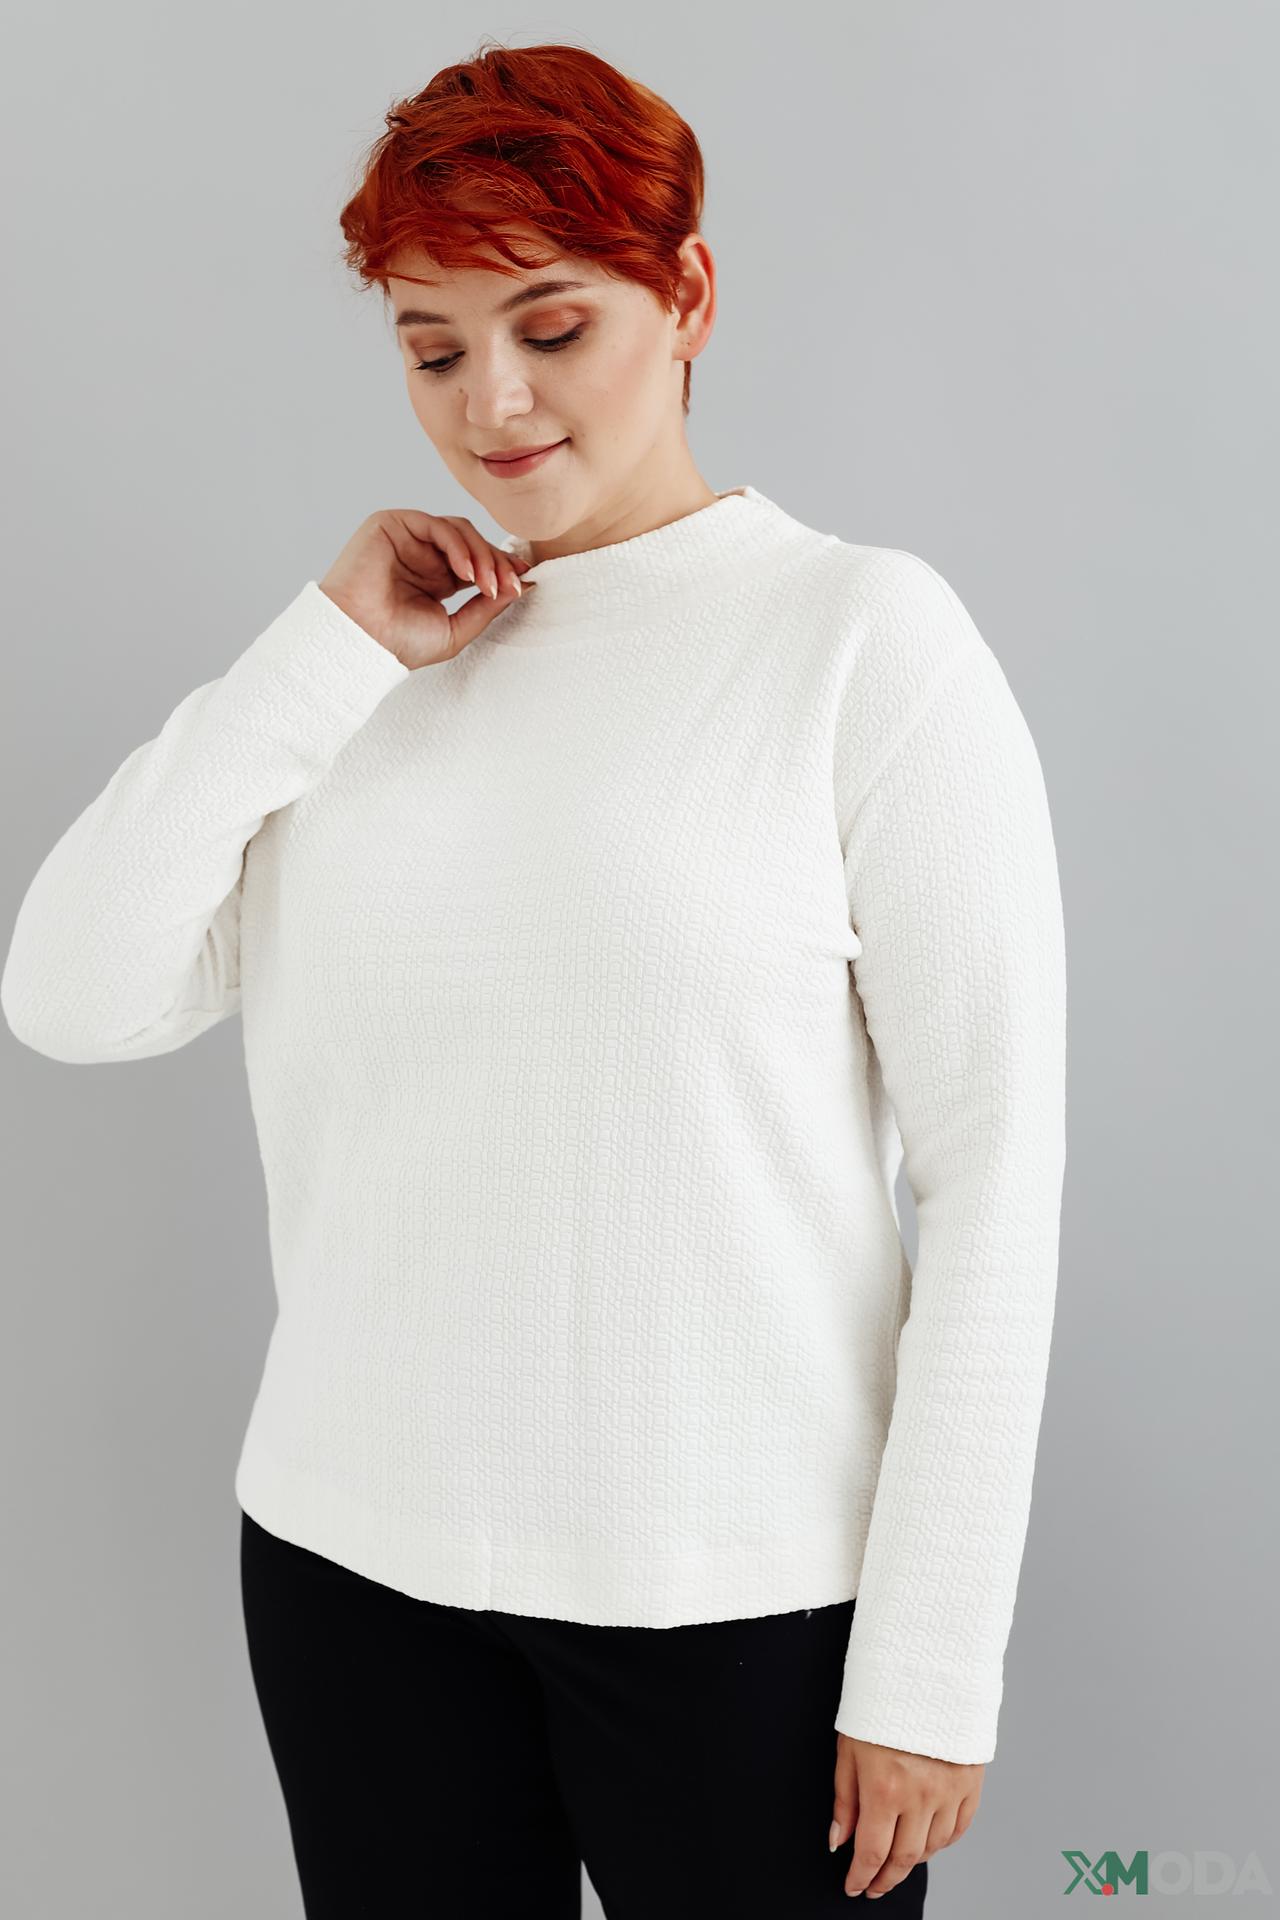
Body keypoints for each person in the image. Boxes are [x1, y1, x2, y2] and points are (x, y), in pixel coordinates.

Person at [0, 37, 1067, 1920]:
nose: (491, 401)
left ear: (688, 298)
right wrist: (319, 650)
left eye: (551, 327)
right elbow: (70, 994)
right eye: (432, 349)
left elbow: (995, 1179)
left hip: (739, 1602)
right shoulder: (371, 673)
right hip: (351, 1571)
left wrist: (928, 1669)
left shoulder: (860, 642)